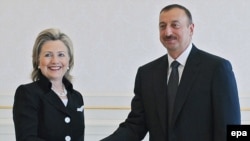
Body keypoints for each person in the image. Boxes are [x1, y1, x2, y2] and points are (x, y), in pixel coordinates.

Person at [101, 4, 241, 141]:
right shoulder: (146, 74)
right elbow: (135, 126)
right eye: (162, 26)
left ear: (191, 29)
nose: (168, 32)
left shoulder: (217, 68)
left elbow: (231, 128)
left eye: (175, 25)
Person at [13, 28, 85, 141]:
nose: (55, 61)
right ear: (38, 60)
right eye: (48, 55)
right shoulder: (27, 93)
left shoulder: (77, 97)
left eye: (61, 55)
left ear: (69, 61)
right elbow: (27, 139)